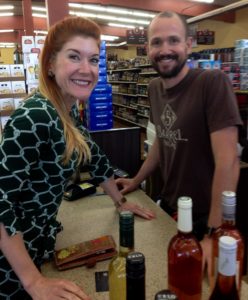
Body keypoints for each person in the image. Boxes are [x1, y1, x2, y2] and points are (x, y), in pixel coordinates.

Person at [0, 17, 155, 300]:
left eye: (94, 59)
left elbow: (94, 158)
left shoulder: (65, 110)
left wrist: (121, 203)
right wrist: (33, 281)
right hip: (10, 271)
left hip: (38, 247)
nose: (87, 70)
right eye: (74, 57)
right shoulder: (34, 116)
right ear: (49, 63)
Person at [116, 11, 242, 279]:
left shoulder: (212, 83)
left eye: (173, 40)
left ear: (189, 44)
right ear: (147, 47)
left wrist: (214, 232)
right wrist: (136, 180)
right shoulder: (153, 88)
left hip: (207, 217)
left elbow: (228, 161)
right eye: (156, 42)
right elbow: (163, 139)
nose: (165, 50)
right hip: (171, 206)